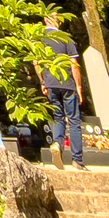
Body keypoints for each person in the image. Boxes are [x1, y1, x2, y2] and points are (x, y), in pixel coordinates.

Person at [33, 14, 87, 170]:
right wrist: (78, 86)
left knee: (58, 118)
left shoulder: (39, 38)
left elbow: (36, 62)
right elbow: (74, 64)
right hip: (67, 83)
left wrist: (43, 81)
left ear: (45, 20)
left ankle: (58, 144)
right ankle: (77, 160)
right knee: (74, 120)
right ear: (60, 23)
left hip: (50, 83)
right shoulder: (65, 38)